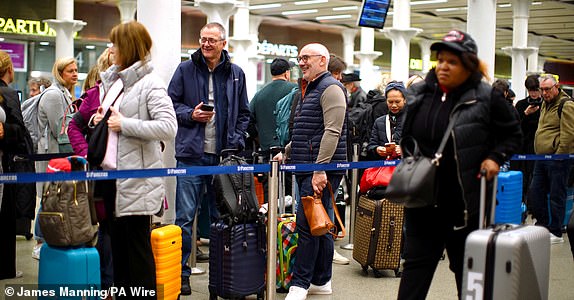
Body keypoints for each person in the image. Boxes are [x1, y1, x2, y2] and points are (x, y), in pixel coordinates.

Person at [397, 30, 522, 299]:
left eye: (451, 62)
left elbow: (513, 134)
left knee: (467, 272)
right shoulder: (419, 93)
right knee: (415, 268)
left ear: (468, 65)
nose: (443, 66)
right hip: (422, 199)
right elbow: (406, 133)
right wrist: (407, 151)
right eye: (440, 60)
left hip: (462, 204)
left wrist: (495, 157)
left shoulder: (486, 98)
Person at [90, 21, 177, 298]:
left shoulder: (150, 83)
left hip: (136, 181)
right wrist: (101, 120)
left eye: (115, 43)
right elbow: (113, 122)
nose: (111, 49)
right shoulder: (116, 82)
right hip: (112, 180)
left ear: (127, 47)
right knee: (119, 252)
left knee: (137, 255)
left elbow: (168, 127)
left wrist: (124, 124)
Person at [168, 22, 250, 296]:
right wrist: (191, 114)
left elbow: (244, 113)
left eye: (212, 40)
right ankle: (181, 275)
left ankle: (222, 275)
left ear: (223, 44)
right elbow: (170, 105)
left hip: (223, 159)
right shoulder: (185, 69)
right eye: (203, 39)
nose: (206, 44)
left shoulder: (236, 73)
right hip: (191, 156)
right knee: (184, 219)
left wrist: (236, 140)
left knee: (222, 219)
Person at [276, 43, 347, 300]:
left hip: (320, 168)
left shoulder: (331, 88)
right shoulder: (310, 88)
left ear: (322, 60)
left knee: (306, 226)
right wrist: (287, 150)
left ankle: (300, 284)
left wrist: (320, 169)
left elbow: (332, 131)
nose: (302, 62)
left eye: (306, 57)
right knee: (320, 223)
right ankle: (321, 280)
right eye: (300, 58)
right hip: (310, 165)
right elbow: (310, 129)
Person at [67, 48, 114, 292]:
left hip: (128, 175)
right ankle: (105, 285)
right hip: (101, 174)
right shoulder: (94, 95)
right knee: (105, 229)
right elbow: (73, 127)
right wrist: (87, 153)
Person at [32, 56, 79, 260]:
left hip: (61, 154)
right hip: (52, 154)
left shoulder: (66, 94)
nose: (75, 74)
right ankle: (39, 240)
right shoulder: (53, 95)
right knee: (49, 196)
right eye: (70, 71)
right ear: (60, 74)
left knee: (54, 195)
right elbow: (61, 130)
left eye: (76, 70)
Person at [528, 74, 574, 244]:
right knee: (535, 192)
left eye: (547, 89)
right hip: (541, 158)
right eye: (542, 89)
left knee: (556, 195)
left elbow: (569, 135)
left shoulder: (566, 104)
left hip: (558, 159)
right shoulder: (545, 104)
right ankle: (542, 226)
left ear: (557, 87)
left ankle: (555, 231)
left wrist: (559, 156)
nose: (544, 93)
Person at [0, 50, 34, 280]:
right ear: (9, 69)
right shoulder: (9, 95)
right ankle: (5, 269)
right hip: (6, 166)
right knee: (4, 219)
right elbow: (19, 132)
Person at [511, 74, 542, 209]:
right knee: (522, 177)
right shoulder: (521, 104)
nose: (534, 94)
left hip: (538, 146)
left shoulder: (546, 104)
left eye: (536, 90)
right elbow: (515, 126)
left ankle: (533, 205)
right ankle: (522, 205)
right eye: (531, 90)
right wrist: (525, 114)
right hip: (522, 147)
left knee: (535, 178)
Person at [366, 81, 407, 160]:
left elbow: (423, 146)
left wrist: (405, 150)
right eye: (390, 102)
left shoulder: (413, 120)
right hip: (384, 168)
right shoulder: (379, 122)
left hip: (407, 168)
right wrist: (377, 149)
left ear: (404, 100)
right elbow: (371, 145)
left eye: (397, 102)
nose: (394, 105)